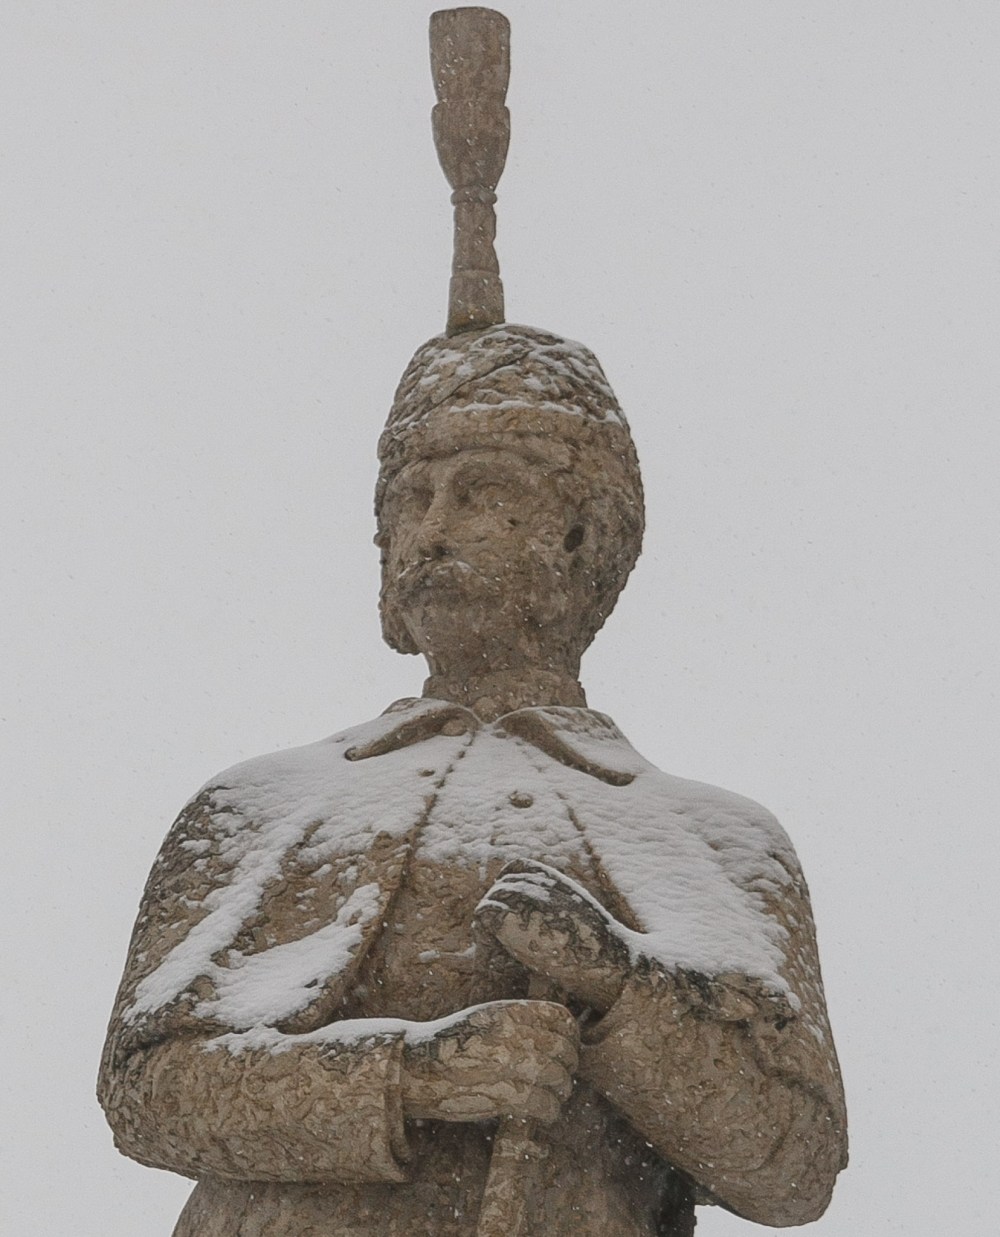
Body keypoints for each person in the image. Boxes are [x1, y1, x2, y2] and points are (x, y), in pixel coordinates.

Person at [99, 324, 847, 1236]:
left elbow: (792, 1165)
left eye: (483, 491)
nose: (433, 528)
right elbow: (147, 1090)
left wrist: (622, 989)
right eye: (412, 499)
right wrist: (414, 1074)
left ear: (581, 537)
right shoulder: (258, 805)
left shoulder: (716, 840)